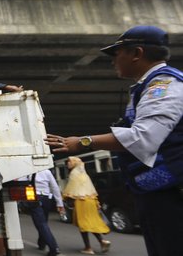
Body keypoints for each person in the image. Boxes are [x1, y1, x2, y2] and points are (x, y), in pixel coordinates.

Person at [45, 25, 183, 256]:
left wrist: (83, 142)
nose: (113, 61)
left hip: (171, 194)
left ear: (137, 53)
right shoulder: (147, 86)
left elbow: (144, 137)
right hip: (158, 191)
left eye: (117, 53)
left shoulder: (164, 86)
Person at [63, 157, 110, 255]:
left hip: (81, 201)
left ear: (75, 163)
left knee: (83, 225)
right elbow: (91, 190)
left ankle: (88, 247)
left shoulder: (73, 174)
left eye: (70, 162)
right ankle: (102, 241)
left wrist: (63, 197)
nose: (68, 164)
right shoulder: (84, 174)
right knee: (90, 223)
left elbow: (70, 190)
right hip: (91, 201)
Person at [26, 169, 65, 256]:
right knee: (43, 222)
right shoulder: (46, 171)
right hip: (46, 199)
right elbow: (54, 187)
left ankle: (54, 248)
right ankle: (41, 243)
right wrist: (60, 203)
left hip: (34, 198)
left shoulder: (26, 171)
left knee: (41, 223)